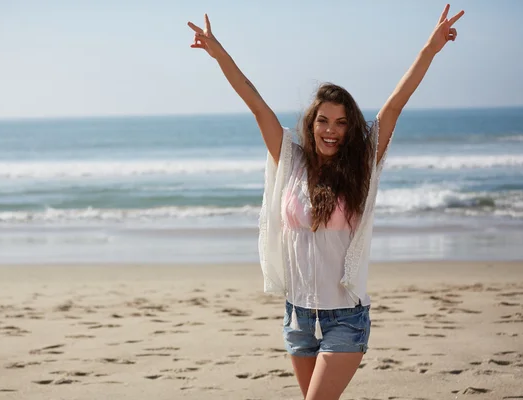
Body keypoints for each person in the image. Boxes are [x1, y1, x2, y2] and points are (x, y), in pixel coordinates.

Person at [188, 4, 464, 399]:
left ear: (350, 128)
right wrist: (219, 54)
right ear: (311, 123)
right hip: (298, 316)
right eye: (323, 120)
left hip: (346, 319)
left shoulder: (361, 165)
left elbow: (395, 105)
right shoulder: (292, 160)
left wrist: (429, 49)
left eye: (341, 122)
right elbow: (255, 103)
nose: (331, 131)